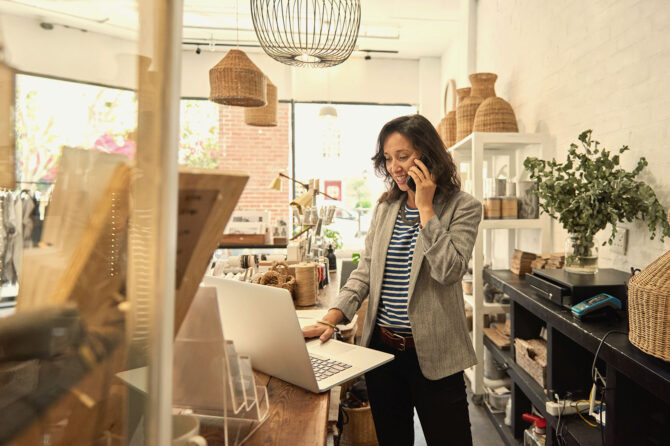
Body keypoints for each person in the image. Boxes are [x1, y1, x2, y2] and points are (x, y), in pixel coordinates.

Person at [302, 114, 482, 445]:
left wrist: (426, 210)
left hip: (437, 356)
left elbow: (449, 271)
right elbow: (365, 271)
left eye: (403, 156)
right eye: (388, 158)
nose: (395, 167)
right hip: (383, 355)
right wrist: (333, 316)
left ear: (428, 155)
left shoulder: (463, 207)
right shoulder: (386, 208)